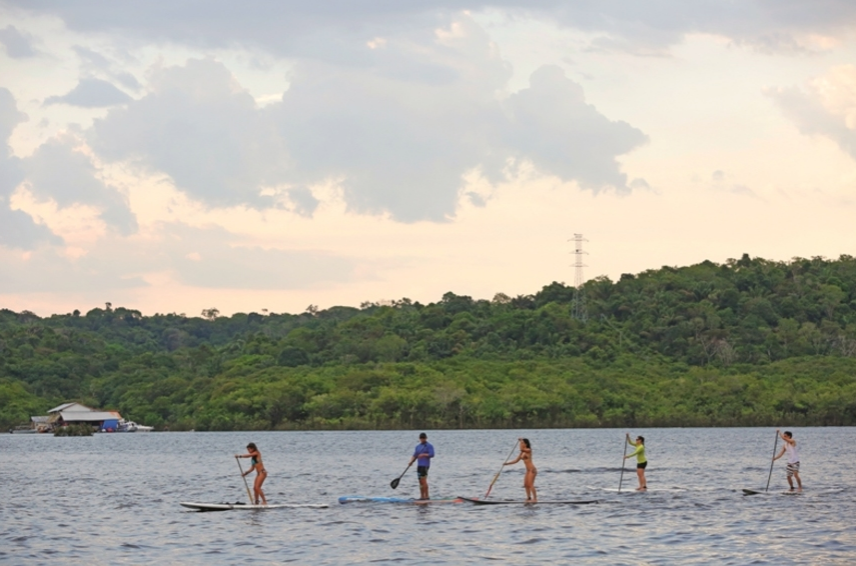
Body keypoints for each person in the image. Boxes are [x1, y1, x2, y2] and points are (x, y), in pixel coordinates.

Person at [503, 438, 537, 502]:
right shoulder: (522, 452)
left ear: (526, 444)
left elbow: (521, 449)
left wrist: (520, 441)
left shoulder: (528, 450)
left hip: (532, 470)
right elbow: (516, 460)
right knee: (525, 484)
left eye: (522, 443)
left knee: (530, 484)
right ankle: (528, 498)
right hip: (528, 470)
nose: (521, 444)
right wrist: (507, 463)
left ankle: (535, 499)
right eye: (521, 443)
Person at [409, 432, 434, 500]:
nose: (422, 439)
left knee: (424, 480)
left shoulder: (429, 446)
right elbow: (415, 455)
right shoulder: (418, 447)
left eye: (424, 438)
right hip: (419, 465)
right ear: (419, 439)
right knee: (420, 481)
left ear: (426, 438)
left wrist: (423, 455)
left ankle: (427, 496)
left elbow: (432, 454)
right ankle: (422, 496)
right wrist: (411, 461)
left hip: (425, 465)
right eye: (421, 438)